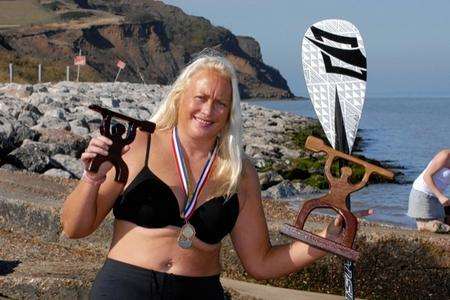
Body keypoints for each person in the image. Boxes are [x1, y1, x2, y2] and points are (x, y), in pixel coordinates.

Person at [61, 54, 369, 299]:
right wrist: (91, 179)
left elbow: (259, 262)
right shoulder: (137, 143)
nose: (208, 110)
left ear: (230, 112)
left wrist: (322, 243)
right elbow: (75, 228)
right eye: (201, 98)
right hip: (125, 289)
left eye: (220, 103)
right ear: (180, 97)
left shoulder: (240, 172)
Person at [408, 150, 450, 233]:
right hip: (422, 194)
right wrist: (440, 196)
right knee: (436, 229)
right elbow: (426, 176)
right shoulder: (445, 155)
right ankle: (422, 226)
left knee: (442, 229)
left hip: (436, 197)